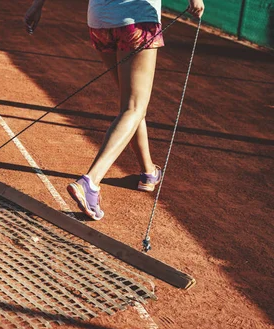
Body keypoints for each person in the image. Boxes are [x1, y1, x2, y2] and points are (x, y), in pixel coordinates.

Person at [24, 0, 204, 220]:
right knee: (134, 106)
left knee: (133, 104)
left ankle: (148, 172)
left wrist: (37, 5)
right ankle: (90, 182)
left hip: (100, 21)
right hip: (136, 19)